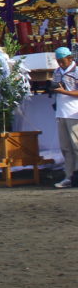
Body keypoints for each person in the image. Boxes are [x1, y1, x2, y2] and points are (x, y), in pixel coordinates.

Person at [51, 46, 78, 188]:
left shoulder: (76, 71)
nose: (60, 64)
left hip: (74, 113)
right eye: (58, 61)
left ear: (70, 58)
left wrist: (64, 92)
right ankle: (69, 176)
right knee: (65, 148)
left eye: (63, 61)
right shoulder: (56, 71)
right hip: (61, 113)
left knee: (77, 146)